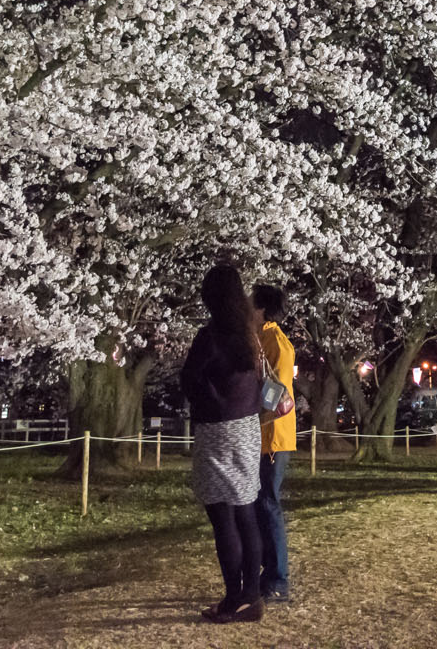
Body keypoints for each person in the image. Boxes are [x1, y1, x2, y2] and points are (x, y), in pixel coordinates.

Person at [183, 265, 266, 624]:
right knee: (246, 513)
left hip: (218, 432)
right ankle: (252, 596)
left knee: (223, 518)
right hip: (247, 429)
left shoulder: (211, 337)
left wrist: (204, 405)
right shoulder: (250, 336)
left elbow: (189, 380)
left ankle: (235, 598)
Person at [252, 283, 295, 605]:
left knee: (268, 504)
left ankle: (278, 579)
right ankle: (267, 575)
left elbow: (274, 394)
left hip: (272, 436)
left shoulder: (277, 343)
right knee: (260, 506)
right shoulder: (261, 339)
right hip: (262, 434)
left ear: (261, 309)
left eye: (250, 304)